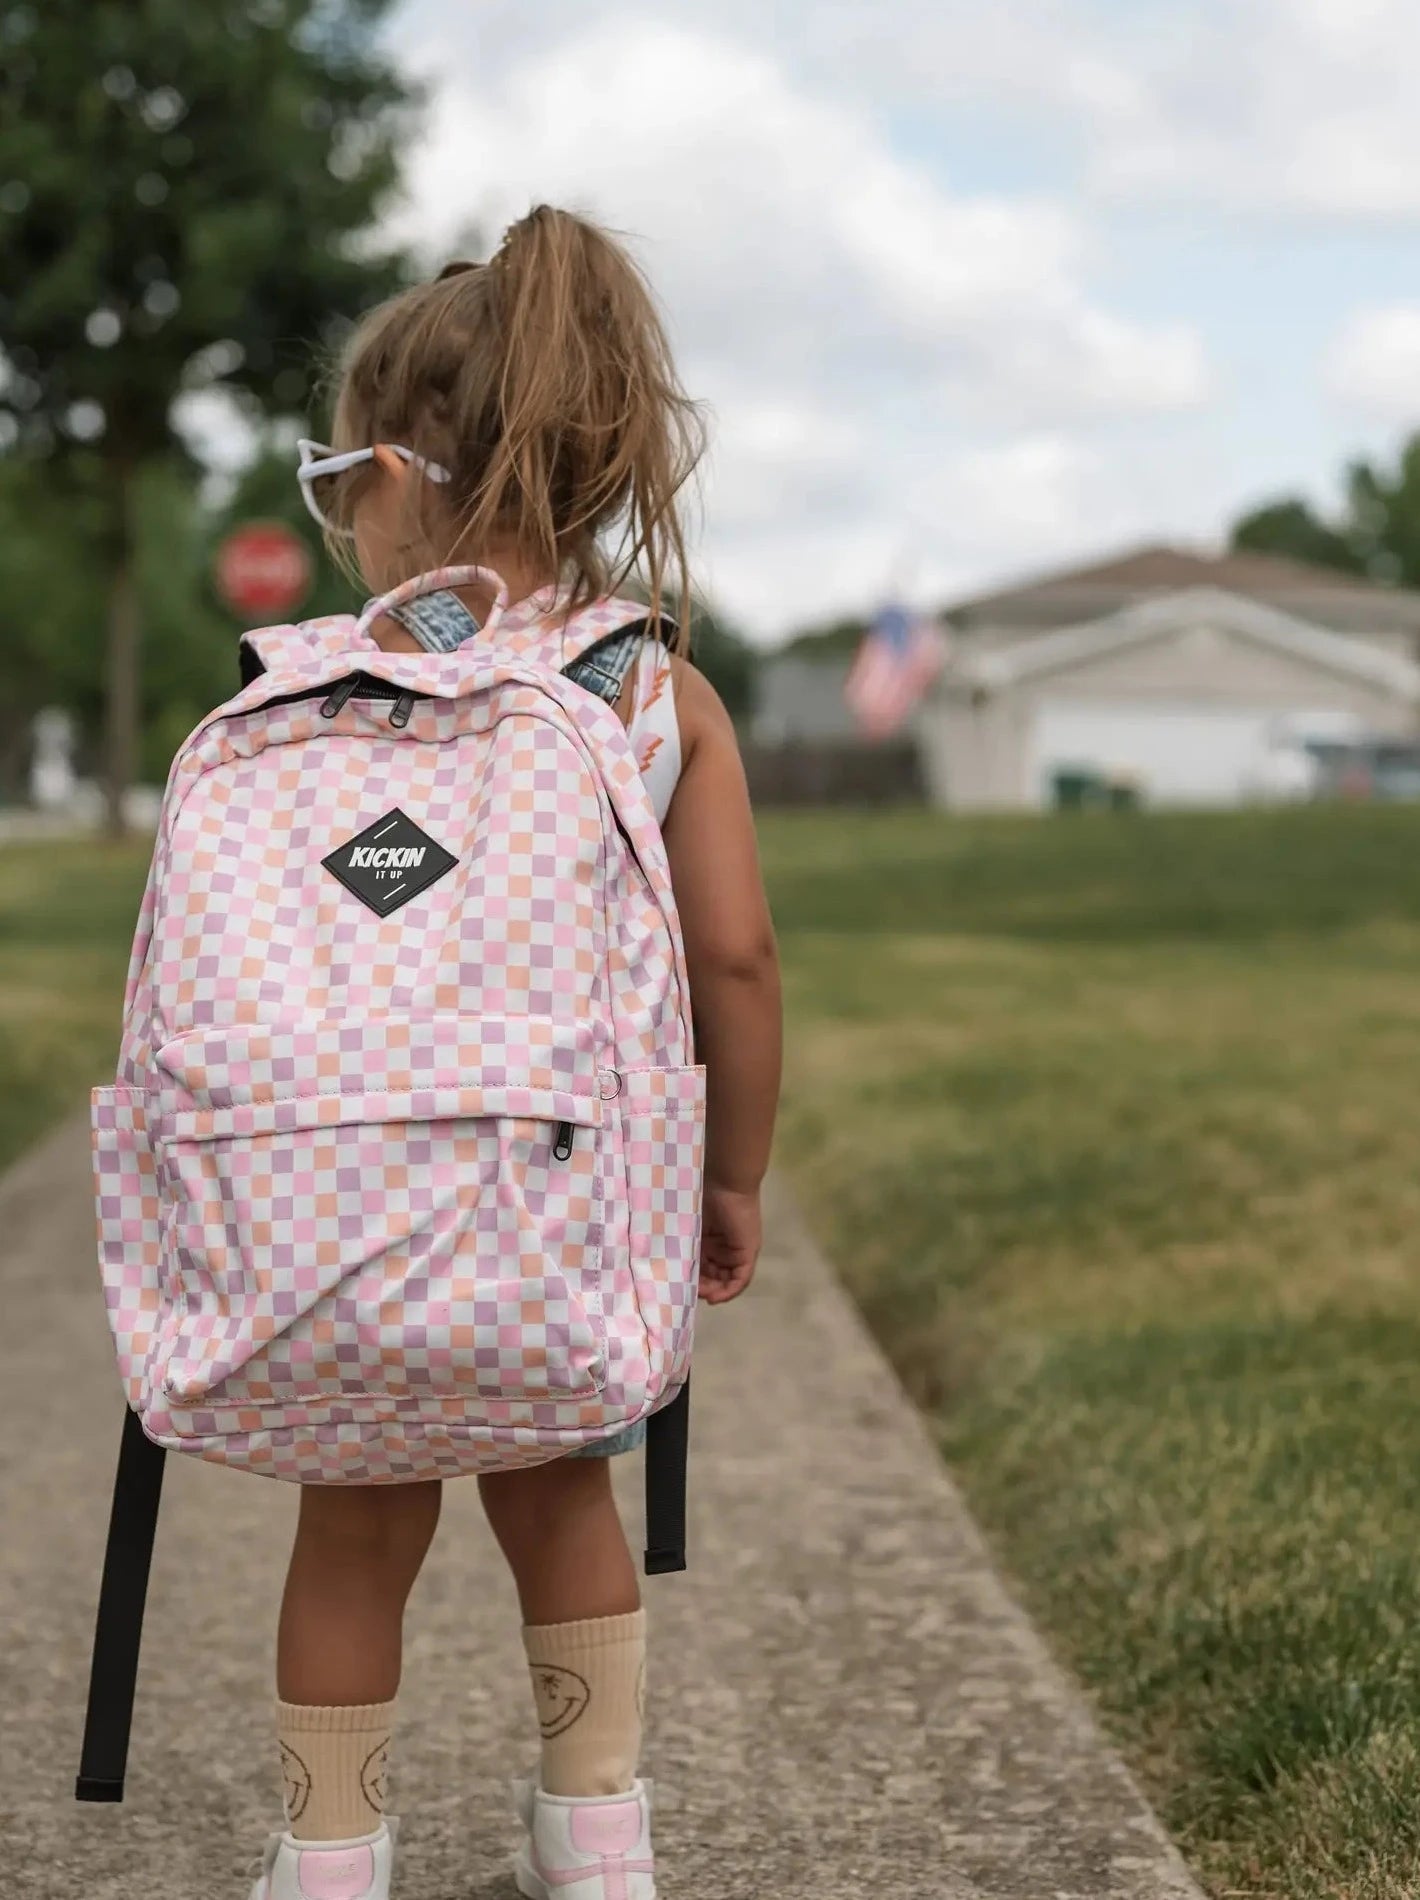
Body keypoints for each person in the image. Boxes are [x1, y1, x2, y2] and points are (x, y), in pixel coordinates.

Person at [252, 206, 782, 1900]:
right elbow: (738, 961)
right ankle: (597, 1838)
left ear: (399, 474)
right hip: (548, 1213)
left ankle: (332, 1858)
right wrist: (733, 1173)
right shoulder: (649, 688)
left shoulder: (299, 694)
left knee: (353, 1523)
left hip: (330, 1213)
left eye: (339, 475)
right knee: (560, 1497)